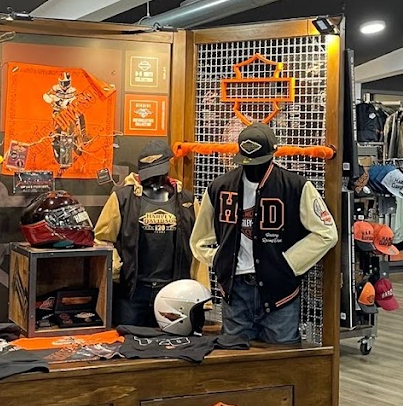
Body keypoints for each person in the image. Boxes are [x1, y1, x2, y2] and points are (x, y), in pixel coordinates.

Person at [191, 123, 338, 346]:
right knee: (234, 357)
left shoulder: (296, 186)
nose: (253, 168)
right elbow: (199, 240)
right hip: (235, 291)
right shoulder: (219, 187)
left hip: (280, 292)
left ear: (272, 154)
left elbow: (326, 233)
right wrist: (220, 259)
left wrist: (289, 263)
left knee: (282, 358)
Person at [94, 139, 204, 326]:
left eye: (157, 174)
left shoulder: (187, 201)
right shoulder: (123, 198)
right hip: (134, 293)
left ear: (167, 168)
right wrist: (117, 271)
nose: (153, 180)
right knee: (128, 340)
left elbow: (198, 247)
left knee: (174, 343)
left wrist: (200, 289)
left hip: (176, 292)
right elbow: (102, 239)